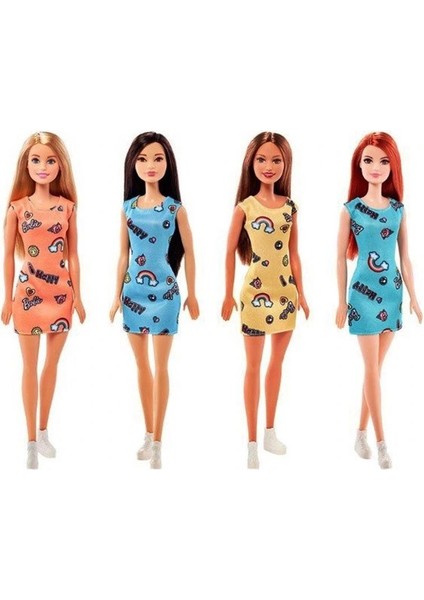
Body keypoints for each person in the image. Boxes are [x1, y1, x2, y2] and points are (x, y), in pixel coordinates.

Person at [110, 132, 199, 469]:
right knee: (141, 366)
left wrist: (193, 293)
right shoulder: (128, 209)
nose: (150, 165)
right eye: (143, 158)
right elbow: (123, 255)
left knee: (161, 366)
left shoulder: (175, 209)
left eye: (158, 158)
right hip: (132, 293)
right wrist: (115, 296)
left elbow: (190, 253)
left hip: (165, 295)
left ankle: (159, 440)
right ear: (133, 164)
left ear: (167, 163)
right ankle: (148, 434)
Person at [221, 132, 309, 468]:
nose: (268, 166)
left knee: (276, 364)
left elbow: (294, 254)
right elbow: (229, 252)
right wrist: (227, 294)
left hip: (285, 295)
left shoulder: (289, 207)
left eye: (275, 160)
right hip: (253, 296)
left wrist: (302, 293)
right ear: (251, 164)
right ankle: (251, 441)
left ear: (286, 164)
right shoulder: (245, 207)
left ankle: (270, 431)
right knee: (253, 367)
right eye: (261, 159)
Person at [336, 132, 422, 469]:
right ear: (359, 165)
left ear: (392, 166)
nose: (376, 167)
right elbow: (339, 258)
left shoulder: (398, 210)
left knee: (375, 370)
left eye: (384, 161)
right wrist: (341, 302)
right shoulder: (351, 210)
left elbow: (406, 257)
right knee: (371, 368)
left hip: (392, 294)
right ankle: (382, 442)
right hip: (362, 295)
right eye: (369, 160)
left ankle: (360, 433)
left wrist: (415, 297)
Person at [1, 132, 86, 469]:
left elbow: (73, 255)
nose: (43, 166)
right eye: (35, 160)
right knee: (29, 367)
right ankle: (30, 442)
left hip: (61, 294)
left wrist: (78, 295)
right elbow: (7, 257)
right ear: (26, 164)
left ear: (60, 166)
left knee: (51, 365)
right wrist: (6, 298)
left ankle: (44, 430)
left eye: (50, 160)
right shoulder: (17, 209)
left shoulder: (67, 208)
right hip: (27, 295)